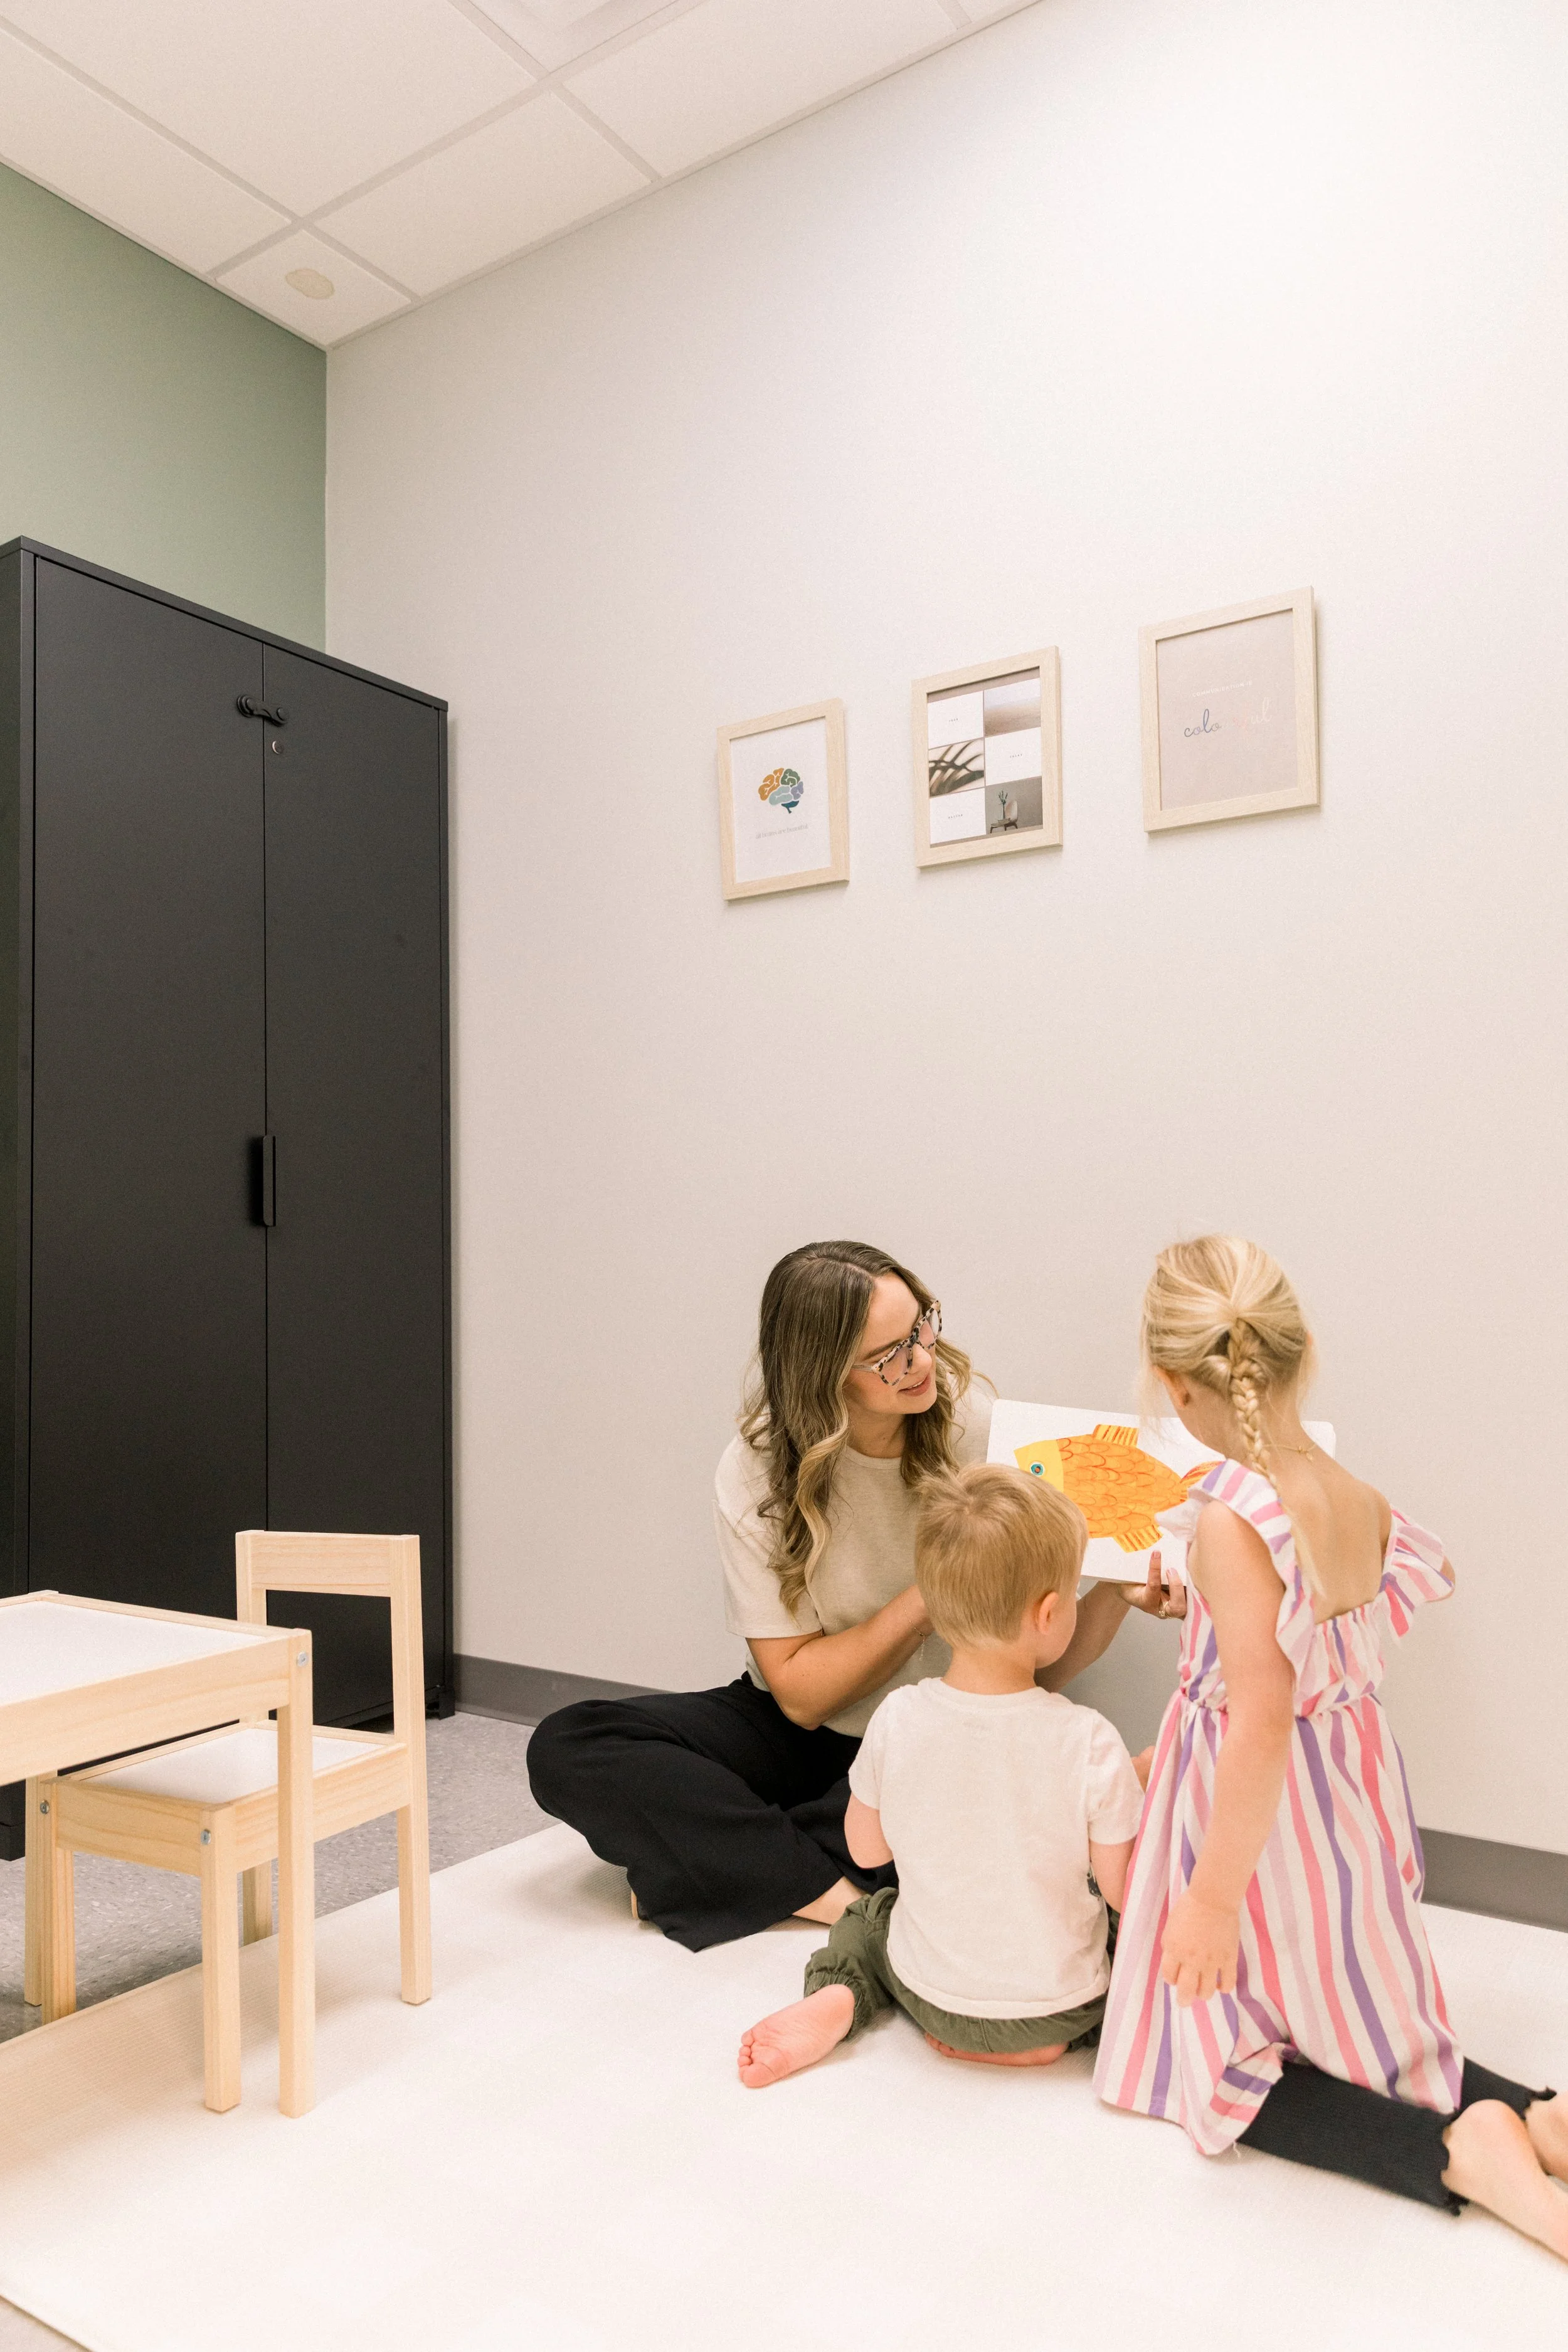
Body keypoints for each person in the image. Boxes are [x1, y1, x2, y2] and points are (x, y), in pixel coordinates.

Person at [1095, 1236, 1568, 2259]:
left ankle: (1462, 2151)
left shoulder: (1231, 1518)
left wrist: (1210, 1902)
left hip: (1260, 1819)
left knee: (1224, 2048)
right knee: (1347, 2002)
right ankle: (1537, 2112)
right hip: (1343, 1799)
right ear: (1294, 1354)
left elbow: (1261, 1719)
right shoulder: (1351, 1492)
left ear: (1176, 1390)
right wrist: (1197, 1606)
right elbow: (1300, 1647)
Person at [527, 1239, 1160, 1950]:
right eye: (888, 1353)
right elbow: (797, 1693)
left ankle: (723, 1864)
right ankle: (848, 1903)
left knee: (986, 1801)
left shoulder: (978, 1432)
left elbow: (1035, 1664)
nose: (921, 1360)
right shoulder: (756, 1467)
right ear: (822, 1373)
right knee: (569, 1745)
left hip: (935, 1731)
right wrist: (932, 1591)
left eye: (923, 1328)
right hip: (801, 1728)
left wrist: (1112, 1592)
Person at [737, 1462, 1145, 2085]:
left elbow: (866, 1849)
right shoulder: (1088, 1740)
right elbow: (1125, 1892)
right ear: (1049, 1613)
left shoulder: (897, 1718)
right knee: (1117, 1934)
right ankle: (1047, 2039)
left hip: (930, 1997)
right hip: (1057, 2009)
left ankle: (839, 1998)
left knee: (869, 1919)